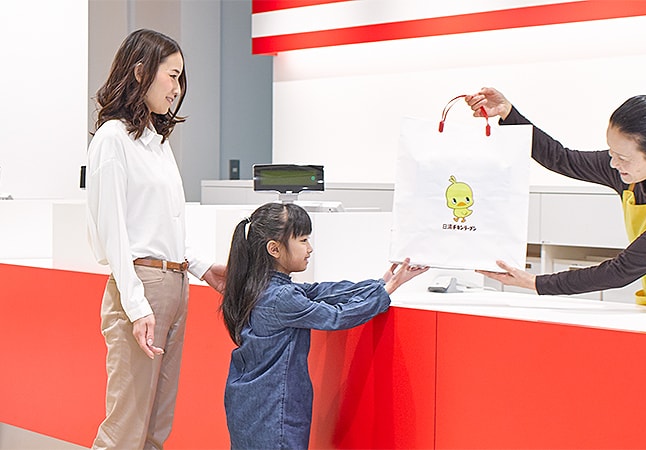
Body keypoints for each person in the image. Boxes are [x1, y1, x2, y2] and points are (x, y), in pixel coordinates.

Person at [467, 87, 646, 314]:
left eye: (622, 157)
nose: (613, 163)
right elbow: (561, 158)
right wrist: (508, 113)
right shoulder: (633, 174)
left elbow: (622, 270)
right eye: (611, 152)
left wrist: (535, 282)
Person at [86, 29, 227, 449]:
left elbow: (163, 226)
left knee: (156, 427)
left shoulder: (157, 144)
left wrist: (202, 268)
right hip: (141, 288)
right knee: (125, 427)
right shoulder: (113, 140)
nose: (177, 88)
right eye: (172, 75)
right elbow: (113, 234)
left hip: (174, 284)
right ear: (141, 71)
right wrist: (135, 304)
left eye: (181, 78)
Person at [221, 202, 428, 449]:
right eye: (303, 240)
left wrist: (381, 282)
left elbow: (321, 291)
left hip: (248, 404)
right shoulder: (281, 297)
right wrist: (387, 292)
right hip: (274, 408)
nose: (310, 249)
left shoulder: (257, 287)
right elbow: (337, 316)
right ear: (274, 249)